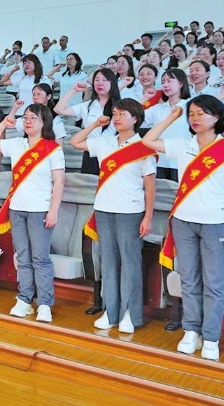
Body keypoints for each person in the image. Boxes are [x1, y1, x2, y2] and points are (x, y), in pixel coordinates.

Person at [141, 95, 224, 361]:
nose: (196, 118)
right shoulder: (183, 145)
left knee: (213, 282)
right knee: (188, 279)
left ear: (217, 116)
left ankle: (211, 336)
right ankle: (191, 330)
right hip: (184, 221)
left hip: (217, 223)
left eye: (202, 113)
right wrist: (171, 118)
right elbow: (147, 141)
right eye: (192, 114)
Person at [70, 99, 156, 334]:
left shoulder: (143, 147)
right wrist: (95, 124)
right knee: (108, 262)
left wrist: (148, 216)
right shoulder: (104, 141)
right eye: (115, 113)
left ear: (136, 118)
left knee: (130, 263)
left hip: (131, 211)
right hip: (104, 209)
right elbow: (75, 141)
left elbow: (150, 187)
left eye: (123, 114)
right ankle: (111, 311)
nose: (117, 118)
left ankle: (131, 313)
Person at [0, 103, 65, 323]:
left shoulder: (52, 148)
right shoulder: (16, 144)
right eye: (26, 118)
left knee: (40, 258)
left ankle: (45, 304)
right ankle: (24, 298)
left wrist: (54, 210)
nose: (28, 121)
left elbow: (59, 182)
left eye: (34, 118)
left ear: (44, 122)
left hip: (41, 209)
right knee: (23, 257)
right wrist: (4, 122)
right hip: (17, 208)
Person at [54, 67, 120, 175]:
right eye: (97, 80)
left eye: (104, 80)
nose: (100, 83)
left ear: (112, 82)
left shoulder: (120, 105)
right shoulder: (88, 106)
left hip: (113, 152)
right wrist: (73, 91)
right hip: (90, 154)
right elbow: (58, 109)